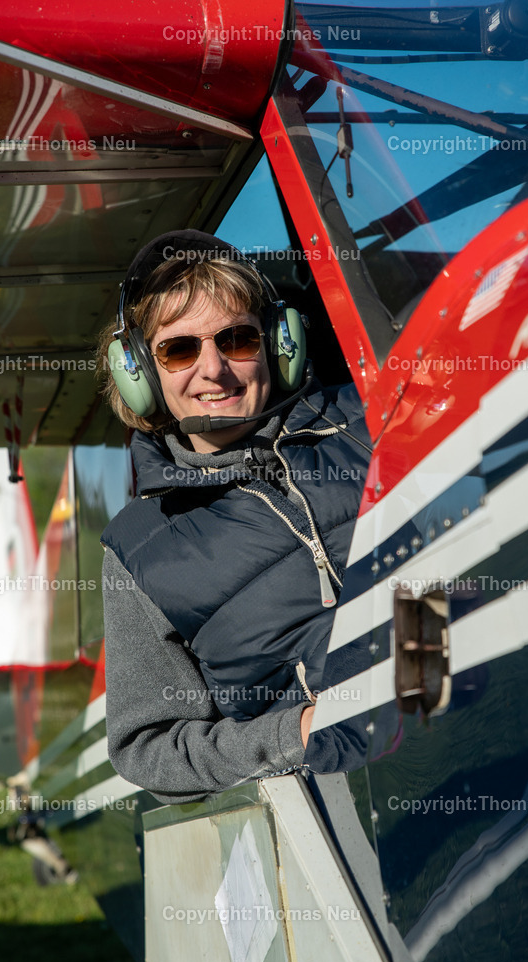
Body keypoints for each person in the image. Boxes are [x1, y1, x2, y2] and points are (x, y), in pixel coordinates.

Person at [98, 230, 372, 804]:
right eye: (179, 350)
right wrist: (290, 736)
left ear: (279, 345)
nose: (214, 369)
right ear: (141, 375)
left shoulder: (371, 420)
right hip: (350, 813)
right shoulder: (139, 548)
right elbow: (147, 747)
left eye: (238, 339)